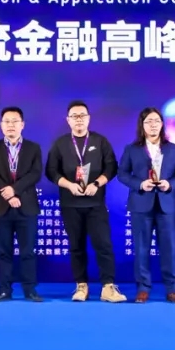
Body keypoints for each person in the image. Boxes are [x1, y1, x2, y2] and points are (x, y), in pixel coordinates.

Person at [45, 100, 126, 303]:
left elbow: (111, 167)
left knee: (104, 245)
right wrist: (69, 185)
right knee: (76, 246)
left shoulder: (100, 141)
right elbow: (51, 171)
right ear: (68, 120)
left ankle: (108, 287)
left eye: (82, 115)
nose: (79, 119)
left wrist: (97, 184)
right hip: (70, 204)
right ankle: (81, 286)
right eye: (74, 116)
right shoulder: (60, 144)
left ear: (89, 118)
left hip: (95, 203)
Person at [117, 108, 175, 304]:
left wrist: (169, 184)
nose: (153, 125)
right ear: (142, 125)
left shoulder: (173, 148)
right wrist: (140, 184)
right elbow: (122, 174)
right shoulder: (132, 149)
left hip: (166, 204)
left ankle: (172, 289)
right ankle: (143, 288)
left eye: (157, 121)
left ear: (162, 124)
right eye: (148, 121)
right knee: (141, 249)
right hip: (141, 203)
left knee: (169, 248)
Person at [0, 107, 43, 302]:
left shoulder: (33, 148)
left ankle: (30, 290)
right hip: (1, 206)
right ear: (1, 125)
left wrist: (14, 190)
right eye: (7, 121)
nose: (11, 125)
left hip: (27, 206)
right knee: (4, 252)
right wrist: (8, 195)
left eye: (15, 121)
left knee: (28, 252)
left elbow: (35, 174)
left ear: (22, 124)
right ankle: (4, 290)